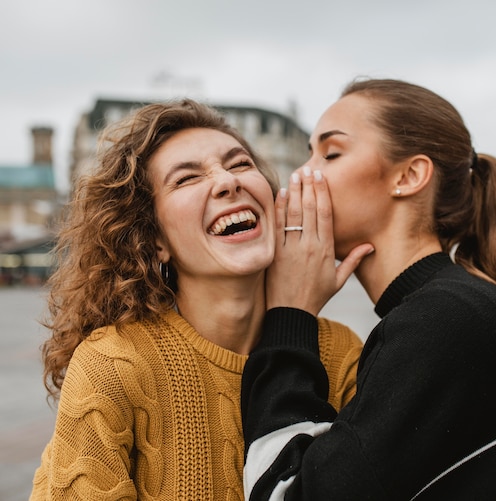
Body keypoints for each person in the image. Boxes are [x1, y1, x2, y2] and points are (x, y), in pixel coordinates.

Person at [241, 78, 496, 500]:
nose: (302, 175)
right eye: (309, 154)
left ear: (410, 175)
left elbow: (290, 493)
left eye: (331, 153)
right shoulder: (459, 306)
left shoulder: (443, 321)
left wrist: (290, 313)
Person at [30, 99, 364, 500]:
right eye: (186, 179)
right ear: (154, 240)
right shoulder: (114, 366)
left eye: (240, 164)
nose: (227, 181)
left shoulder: (342, 353)